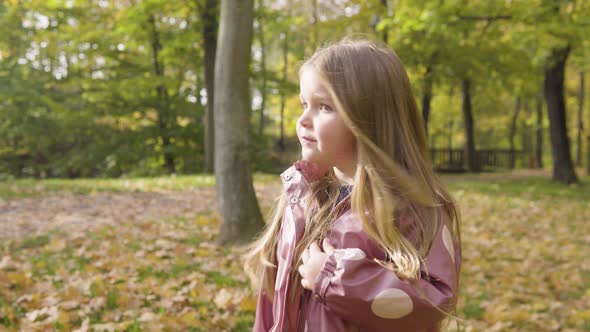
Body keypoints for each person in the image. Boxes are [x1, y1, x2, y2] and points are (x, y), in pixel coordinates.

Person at [244, 37, 462, 332]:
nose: (303, 120)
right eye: (304, 104)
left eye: (323, 107)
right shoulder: (303, 197)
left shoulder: (412, 207)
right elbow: (274, 295)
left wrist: (335, 279)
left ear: (368, 119)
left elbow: (434, 302)